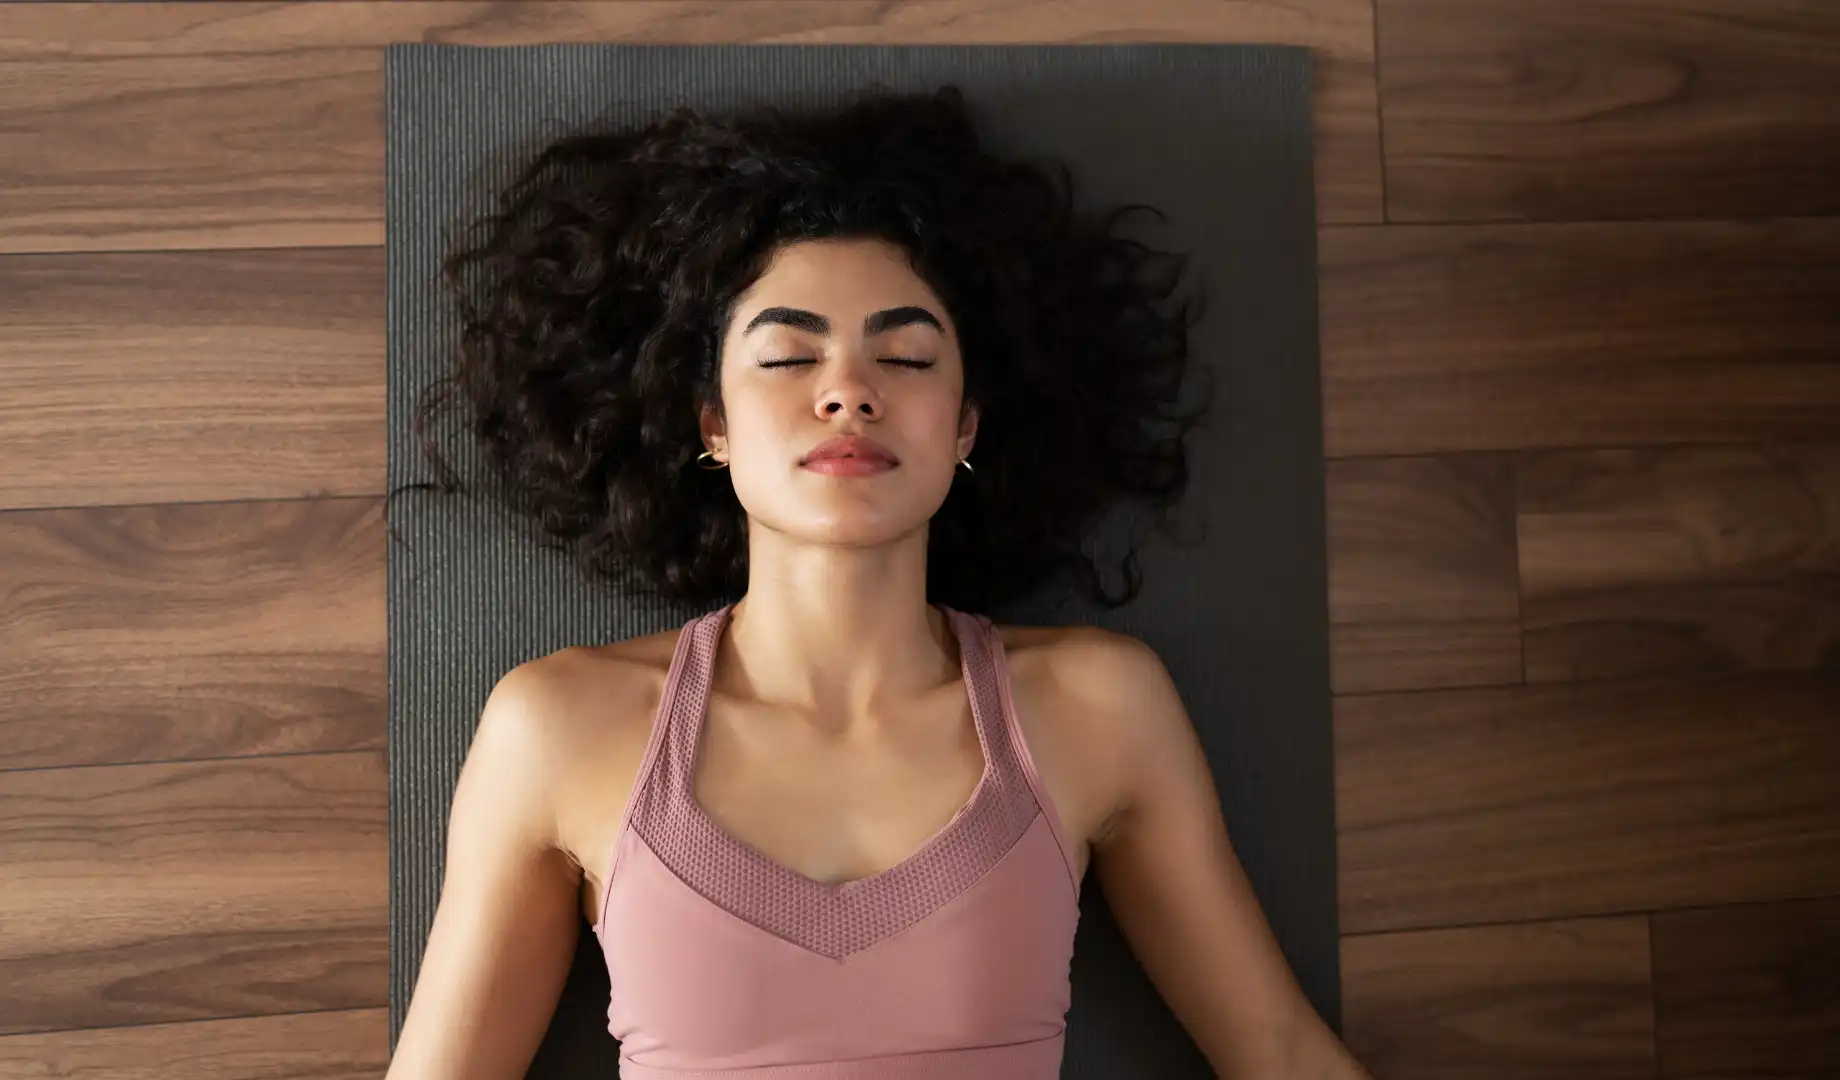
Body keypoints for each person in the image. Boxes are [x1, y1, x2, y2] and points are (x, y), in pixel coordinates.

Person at [385, 84, 1373, 1080]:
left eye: (903, 356)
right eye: (785, 356)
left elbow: (1279, 1051)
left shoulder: (1096, 708)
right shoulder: (558, 729)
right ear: (711, 425)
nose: (849, 390)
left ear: (966, 426)